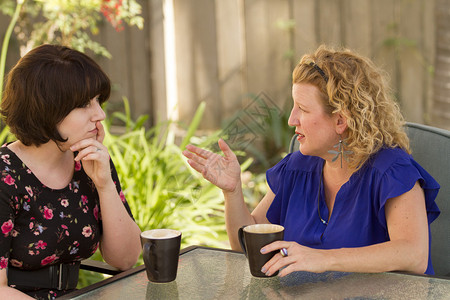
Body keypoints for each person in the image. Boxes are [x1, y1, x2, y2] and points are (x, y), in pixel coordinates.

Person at [183, 45, 440, 277]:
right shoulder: (297, 168)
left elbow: (413, 256)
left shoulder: (390, 171)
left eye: (302, 110)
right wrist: (233, 191)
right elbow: (246, 246)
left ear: (341, 120)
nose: (291, 120)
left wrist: (322, 259)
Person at [0, 44, 142, 299]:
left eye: (98, 101)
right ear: (46, 108)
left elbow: (126, 260)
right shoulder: (4, 175)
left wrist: (104, 185)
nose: (99, 115)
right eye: (84, 104)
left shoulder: (89, 161)